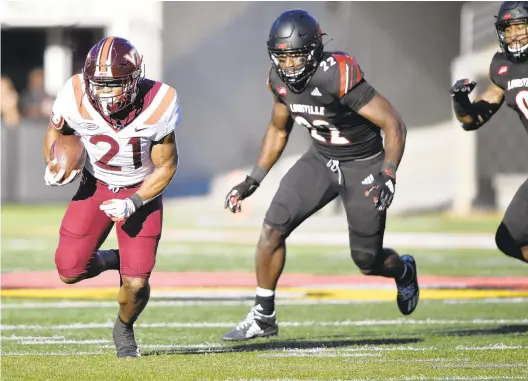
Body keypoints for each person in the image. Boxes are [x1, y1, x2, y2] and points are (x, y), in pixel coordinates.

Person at [222, 9, 419, 341]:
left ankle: (403, 269)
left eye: (296, 57)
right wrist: (253, 179)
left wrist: (388, 172)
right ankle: (263, 316)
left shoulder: (336, 74)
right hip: (321, 159)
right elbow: (277, 129)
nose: (289, 66)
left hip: (364, 164)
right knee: (272, 228)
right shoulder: (278, 78)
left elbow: (393, 123)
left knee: (367, 260)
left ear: (314, 51)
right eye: (282, 58)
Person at [43, 36, 181, 357]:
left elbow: (167, 166)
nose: (105, 93)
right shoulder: (74, 93)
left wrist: (133, 202)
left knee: (135, 285)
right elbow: (56, 134)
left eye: (114, 85)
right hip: (96, 184)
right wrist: (52, 161)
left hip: (140, 191)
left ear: (134, 80)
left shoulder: (159, 101)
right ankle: (115, 258)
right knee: (69, 270)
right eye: (99, 85)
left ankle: (124, 327)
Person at [450, 1, 528, 266]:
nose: (514, 34)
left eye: (520, 26)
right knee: (510, 238)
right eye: (508, 29)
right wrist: (461, 101)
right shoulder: (503, 66)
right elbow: (472, 120)